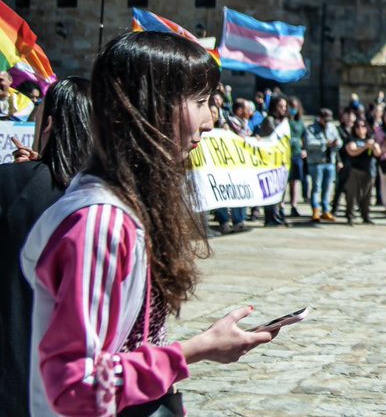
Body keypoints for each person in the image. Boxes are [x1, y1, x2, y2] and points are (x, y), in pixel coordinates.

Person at [21, 32, 276, 415]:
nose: (211, 121)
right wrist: (196, 350)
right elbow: (77, 385)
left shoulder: (126, 207)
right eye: (201, 102)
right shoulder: (101, 223)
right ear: (151, 107)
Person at [0, 77, 93, 416]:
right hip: (75, 381)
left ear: (49, 123)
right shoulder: (106, 201)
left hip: (13, 371)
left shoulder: (12, 184)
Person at [304, 109, 340, 222]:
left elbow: (339, 141)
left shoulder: (332, 127)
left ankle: (325, 210)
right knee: (316, 188)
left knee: (327, 188)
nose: (327, 122)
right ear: (319, 118)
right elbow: (309, 143)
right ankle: (315, 210)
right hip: (317, 163)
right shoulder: (310, 128)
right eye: (325, 120)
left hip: (330, 162)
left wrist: (337, 143)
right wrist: (325, 143)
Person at [343, 118, 379, 225]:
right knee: (352, 195)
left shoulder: (370, 139)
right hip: (355, 170)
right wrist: (364, 147)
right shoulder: (351, 139)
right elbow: (352, 151)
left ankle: (365, 215)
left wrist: (374, 146)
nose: (360, 129)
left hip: (369, 171)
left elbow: (378, 153)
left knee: (367, 195)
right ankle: (350, 216)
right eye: (357, 127)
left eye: (363, 126)